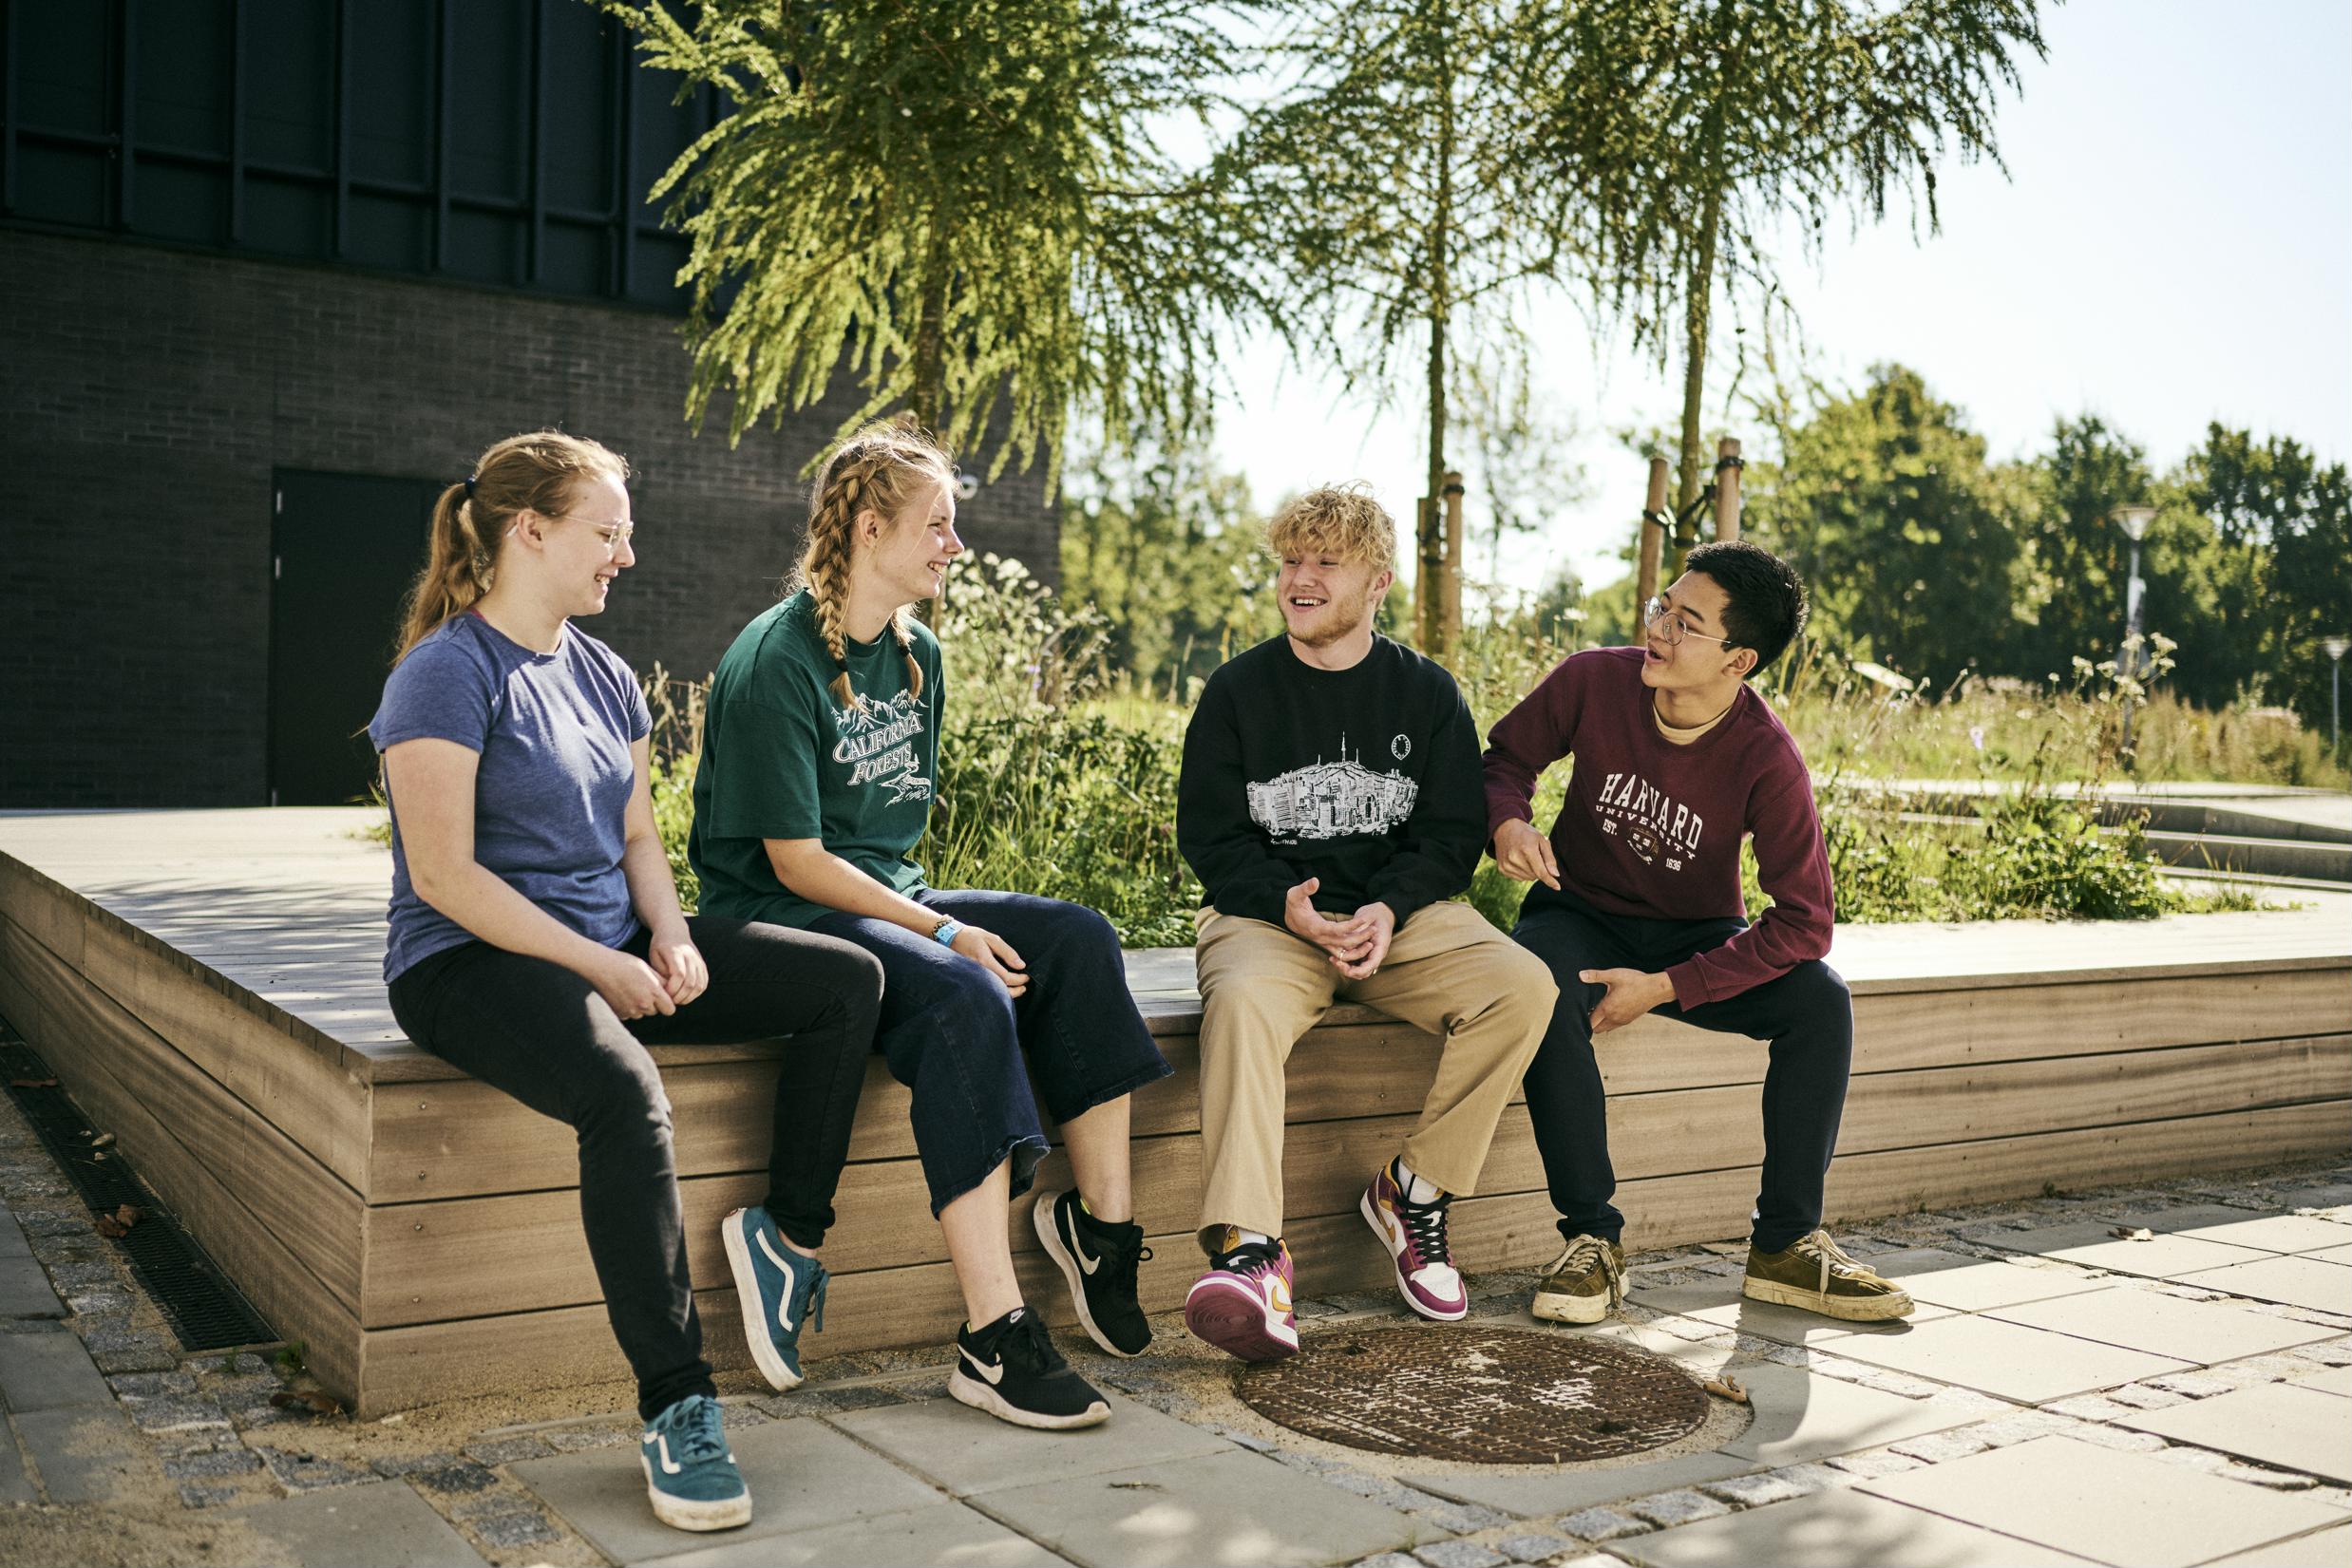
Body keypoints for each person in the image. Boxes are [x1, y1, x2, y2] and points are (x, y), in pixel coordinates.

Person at [372, 432, 883, 1534]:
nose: (626, 555)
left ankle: (787, 1238)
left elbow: (640, 836)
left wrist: (670, 937)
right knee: (624, 1094)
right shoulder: (445, 673)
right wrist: (603, 967)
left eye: (627, 534)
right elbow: (445, 876)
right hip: (467, 962)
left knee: (846, 979)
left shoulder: (602, 673)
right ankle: (677, 1404)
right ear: (531, 531)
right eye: (608, 533)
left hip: (608, 940)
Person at [688, 417, 1170, 1431]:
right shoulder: (775, 659)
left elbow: (889, 847)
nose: (955, 544)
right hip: (783, 916)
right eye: (937, 524)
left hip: (875, 900)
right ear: (870, 529)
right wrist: (942, 935)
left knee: (1078, 937)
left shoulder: (919, 658)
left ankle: (1098, 1230)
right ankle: (993, 1336)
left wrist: (935, 920)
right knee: (958, 996)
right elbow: (796, 862)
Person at [1174, 483, 1557, 1361]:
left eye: (1325, 563)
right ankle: (1250, 1255)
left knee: (1522, 985)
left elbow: (1452, 832)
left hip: (1398, 922)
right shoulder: (1236, 691)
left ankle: (1414, 1191)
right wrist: (1287, 907)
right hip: (1270, 920)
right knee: (1238, 1006)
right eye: (1290, 561)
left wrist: (1389, 906)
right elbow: (1212, 834)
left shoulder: (1425, 694)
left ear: (1377, 581)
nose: (1299, 580)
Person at [1483, 539, 1910, 1326]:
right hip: (1575, 917)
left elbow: (1806, 920)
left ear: (1738, 659)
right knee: (1538, 984)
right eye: (1661, 608)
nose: (1659, 630)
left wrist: (1671, 985)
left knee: (1820, 1001)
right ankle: (1591, 1240)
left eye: (1686, 624)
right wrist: (1507, 821)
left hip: (1691, 939)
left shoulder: (1766, 756)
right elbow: (1504, 758)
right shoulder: (1594, 680)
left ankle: (1786, 1243)